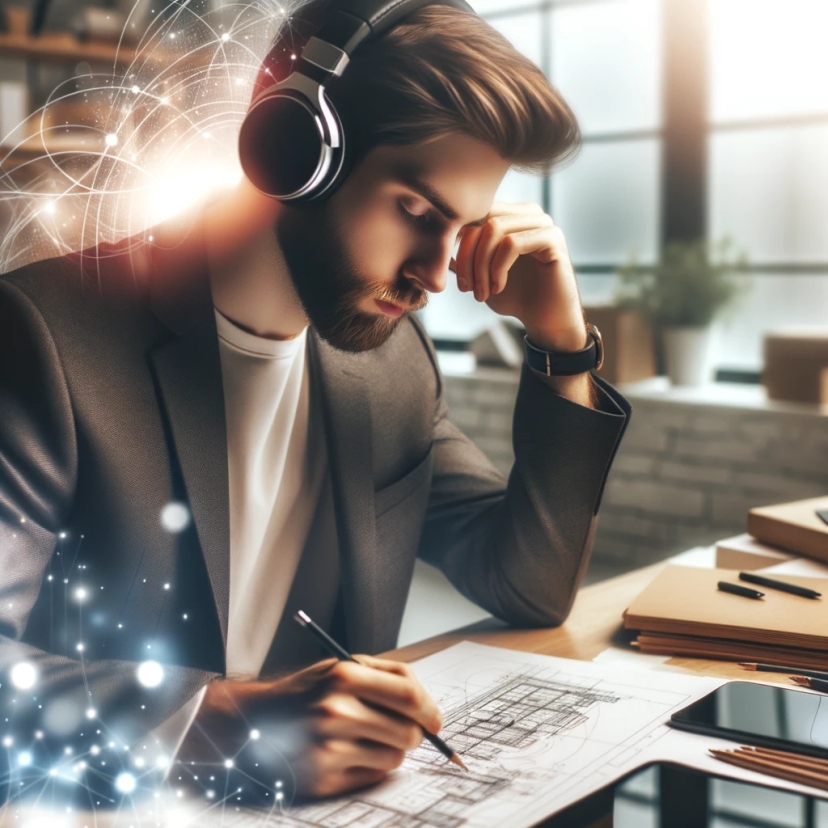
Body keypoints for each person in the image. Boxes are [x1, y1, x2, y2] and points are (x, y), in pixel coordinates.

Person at [0, 0, 629, 807]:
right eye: (416, 213)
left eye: (464, 230)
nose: (438, 277)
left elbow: (529, 583)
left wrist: (563, 345)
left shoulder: (393, 362)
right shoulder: (45, 336)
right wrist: (217, 721)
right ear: (293, 153)